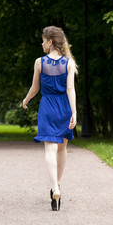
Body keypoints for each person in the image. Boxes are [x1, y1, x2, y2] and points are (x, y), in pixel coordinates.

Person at [22, 26, 78, 211]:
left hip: (47, 107)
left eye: (43, 40)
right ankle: (57, 186)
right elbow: (70, 90)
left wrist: (26, 99)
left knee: (50, 149)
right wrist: (74, 113)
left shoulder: (40, 62)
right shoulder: (69, 64)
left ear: (50, 41)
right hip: (64, 108)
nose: (42, 43)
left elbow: (35, 88)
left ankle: (54, 187)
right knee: (61, 149)